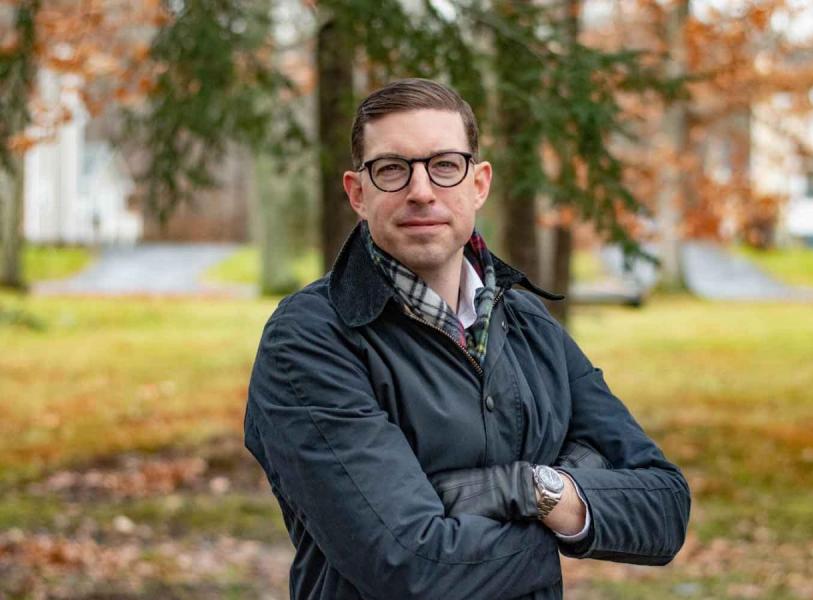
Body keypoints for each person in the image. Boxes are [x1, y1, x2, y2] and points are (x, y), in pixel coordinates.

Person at [244, 78, 690, 600]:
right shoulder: (309, 339)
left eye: (445, 165)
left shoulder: (525, 320)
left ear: (478, 184)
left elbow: (664, 507)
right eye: (392, 169)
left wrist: (528, 488)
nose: (421, 190)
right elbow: (412, 566)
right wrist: (573, 516)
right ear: (357, 193)